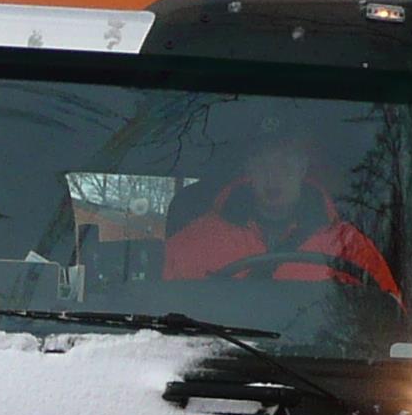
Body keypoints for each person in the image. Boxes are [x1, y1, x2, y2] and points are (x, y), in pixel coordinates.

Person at [161, 122, 398, 294]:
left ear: (303, 168)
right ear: (248, 170)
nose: (273, 175)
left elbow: (388, 321)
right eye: (262, 163)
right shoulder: (193, 243)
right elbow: (161, 321)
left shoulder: (348, 247)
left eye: (285, 163)